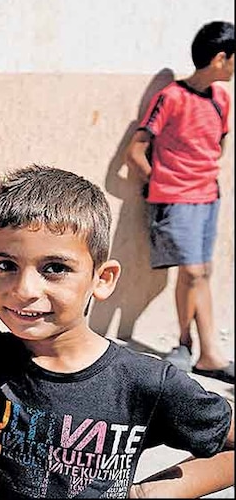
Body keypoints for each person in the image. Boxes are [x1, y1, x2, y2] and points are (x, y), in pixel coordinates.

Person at [0, 165, 234, 498]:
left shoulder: (144, 382)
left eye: (55, 268)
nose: (25, 289)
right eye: (6, 265)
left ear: (103, 278)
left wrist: (146, 494)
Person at [125, 20, 234, 383]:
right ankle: (200, 350)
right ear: (221, 58)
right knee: (193, 272)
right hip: (175, 198)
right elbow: (136, 151)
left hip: (208, 197)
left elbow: (218, 144)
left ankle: (195, 349)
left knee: (201, 273)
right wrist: (159, 182)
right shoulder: (170, 97)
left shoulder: (221, 99)